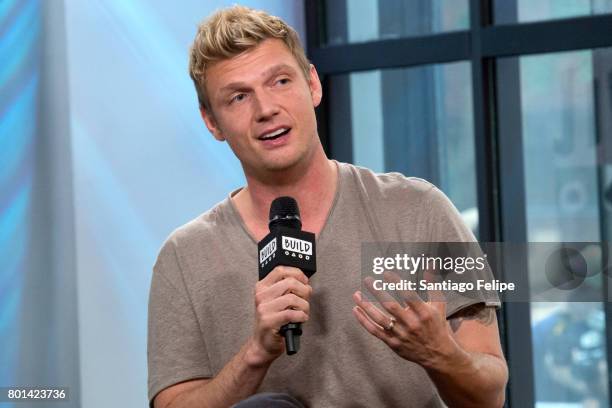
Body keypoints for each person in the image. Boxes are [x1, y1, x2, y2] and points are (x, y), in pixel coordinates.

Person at [147, 5, 508, 408]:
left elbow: (491, 394)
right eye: (238, 97)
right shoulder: (183, 257)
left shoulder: (419, 209)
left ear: (313, 85)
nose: (266, 109)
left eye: (280, 81)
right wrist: (255, 354)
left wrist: (441, 354)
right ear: (212, 122)